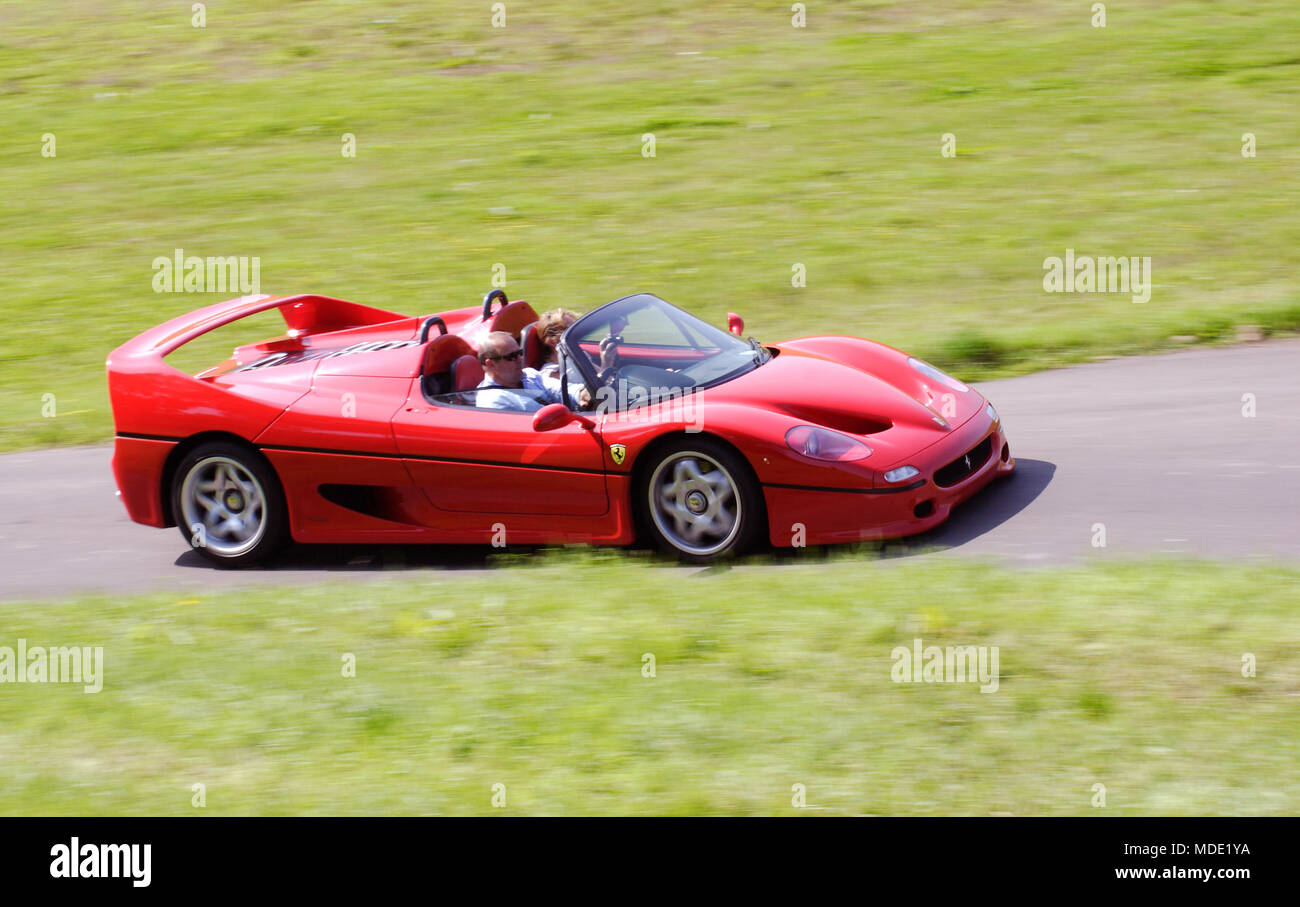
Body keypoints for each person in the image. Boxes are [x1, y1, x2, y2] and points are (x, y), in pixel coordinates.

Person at [475, 331, 566, 412]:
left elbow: (560, 389)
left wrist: (579, 393)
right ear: (491, 364)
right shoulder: (492, 401)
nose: (520, 359)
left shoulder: (530, 374)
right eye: (512, 356)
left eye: (520, 353)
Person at [535, 308, 579, 378]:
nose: (577, 333)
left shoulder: (579, 355)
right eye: (570, 331)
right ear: (552, 342)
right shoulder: (551, 373)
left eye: (575, 327)